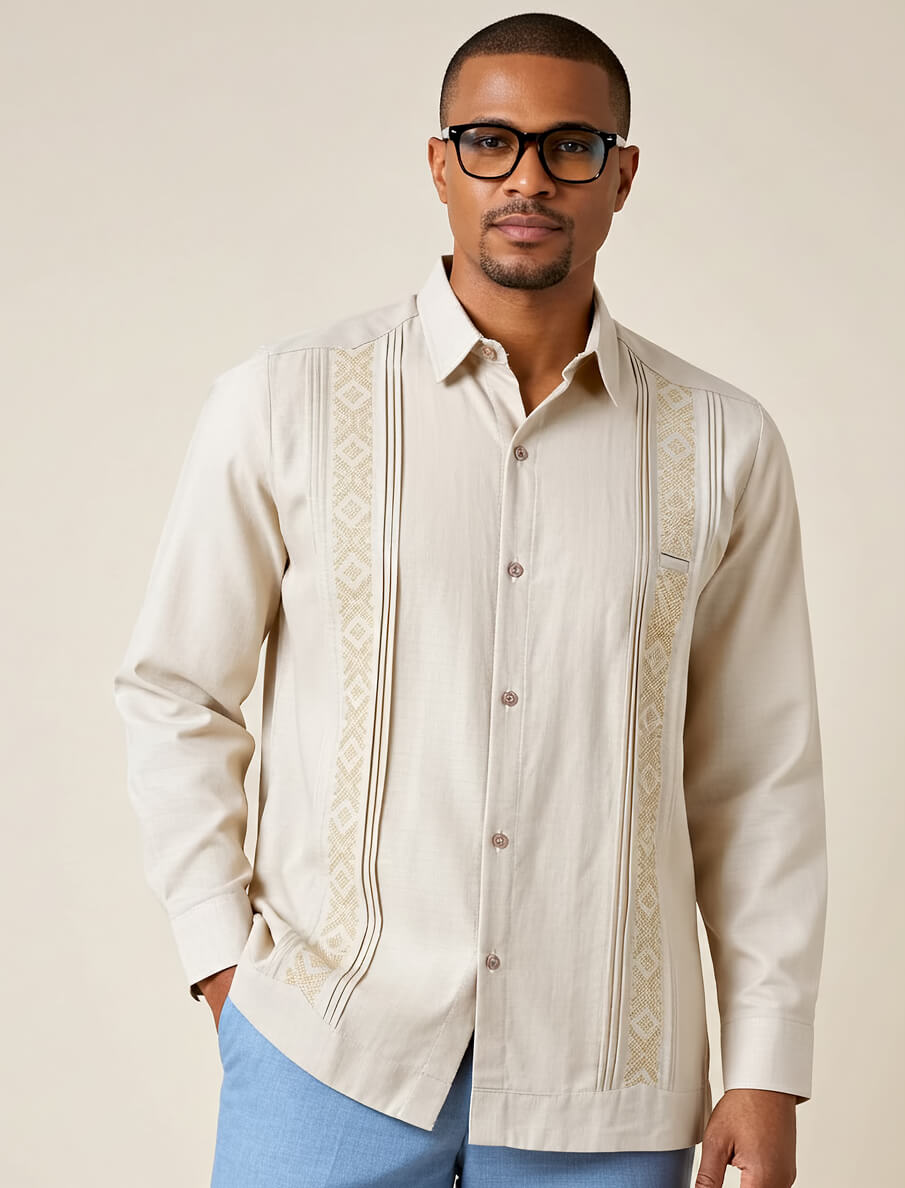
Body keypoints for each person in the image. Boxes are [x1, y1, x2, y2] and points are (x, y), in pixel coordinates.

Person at [113, 12, 827, 1188]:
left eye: (570, 147)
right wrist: (223, 971)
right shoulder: (282, 403)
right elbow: (173, 691)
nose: (528, 178)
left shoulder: (723, 445)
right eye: (489, 142)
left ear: (621, 175)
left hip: (607, 1089)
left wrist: (764, 1066)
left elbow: (758, 778)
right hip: (326, 1058)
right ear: (438, 164)